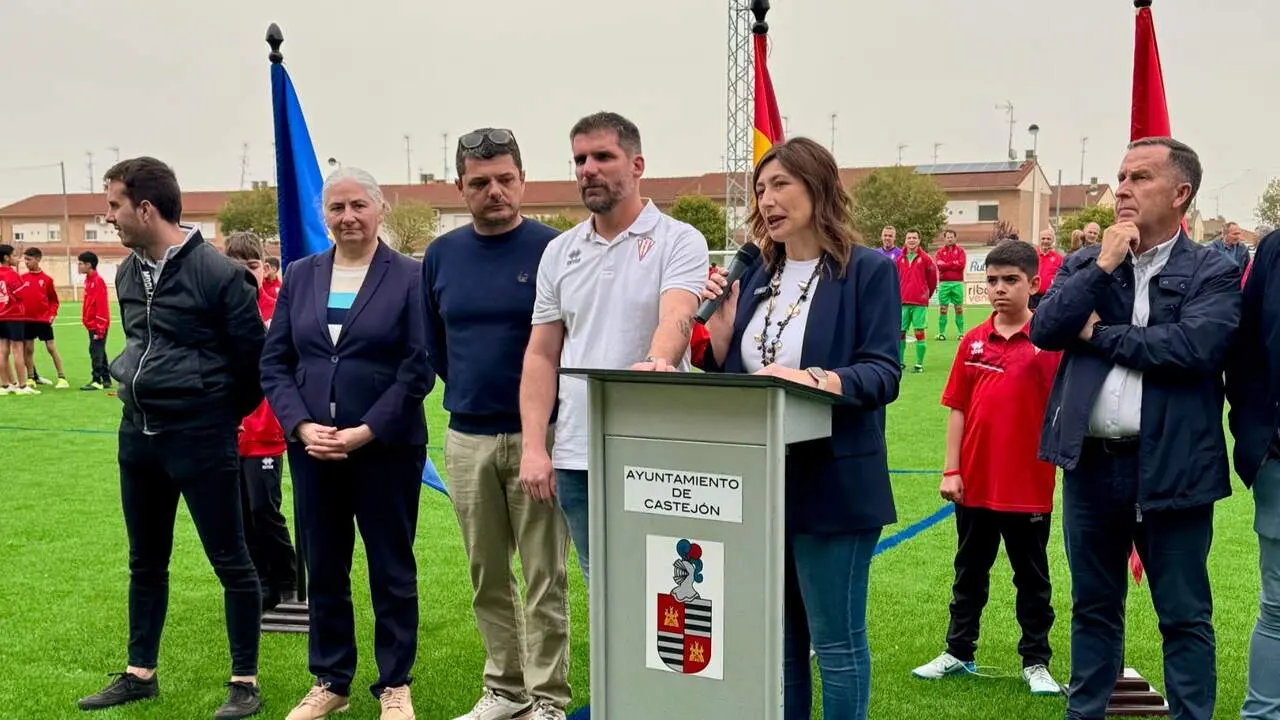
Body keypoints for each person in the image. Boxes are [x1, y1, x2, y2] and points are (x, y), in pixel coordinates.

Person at [1030, 137, 1241, 720]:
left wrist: (1099, 335)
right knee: (1094, 607)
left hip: (1175, 464)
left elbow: (1193, 348)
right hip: (1092, 465)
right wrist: (1102, 265)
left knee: (1184, 613)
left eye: (1140, 178)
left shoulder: (1213, 269)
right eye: (1120, 176)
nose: (1122, 189)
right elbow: (1046, 328)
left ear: (1180, 194)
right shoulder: (1087, 263)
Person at [699, 137, 900, 720]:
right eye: (761, 189)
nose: (767, 200)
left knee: (835, 645)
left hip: (834, 482)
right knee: (780, 645)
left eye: (781, 184)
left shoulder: (865, 271)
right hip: (760, 483)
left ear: (819, 186)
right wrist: (721, 337)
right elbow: (740, 373)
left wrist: (815, 379)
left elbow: (882, 373)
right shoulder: (758, 272)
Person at [76, 157, 266, 719]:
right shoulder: (128, 273)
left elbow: (253, 368)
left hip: (201, 438)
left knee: (231, 560)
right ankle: (140, 674)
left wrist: (211, 414)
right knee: (145, 560)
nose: (108, 216)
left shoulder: (222, 275)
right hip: (138, 438)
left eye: (113, 205)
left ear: (146, 208)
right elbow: (141, 346)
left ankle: (244, 682)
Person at [260, 166, 433, 720]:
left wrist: (365, 431)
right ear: (323, 217)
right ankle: (331, 680)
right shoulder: (302, 274)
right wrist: (302, 426)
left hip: (385, 450)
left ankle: (395, 684)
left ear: (380, 209)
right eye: (336, 208)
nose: (348, 217)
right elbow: (276, 363)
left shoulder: (410, 276)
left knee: (391, 567)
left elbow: (418, 367)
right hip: (315, 452)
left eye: (358, 205)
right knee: (327, 568)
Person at [518, 111, 709, 586]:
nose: (588, 169)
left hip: (658, 445)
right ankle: (614, 666)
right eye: (580, 159)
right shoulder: (559, 252)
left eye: (603, 156)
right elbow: (542, 355)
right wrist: (534, 447)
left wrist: (660, 359)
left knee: (673, 583)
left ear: (637, 164)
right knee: (604, 585)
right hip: (579, 451)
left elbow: (678, 314)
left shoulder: (679, 240)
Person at [423, 128, 571, 720]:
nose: (495, 191)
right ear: (461, 188)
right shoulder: (441, 255)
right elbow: (433, 343)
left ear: (523, 181)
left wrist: (541, 432)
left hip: (541, 438)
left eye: (505, 179)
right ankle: (505, 690)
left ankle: (548, 699)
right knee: (487, 574)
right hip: (468, 437)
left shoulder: (555, 249)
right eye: (480, 182)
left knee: (544, 576)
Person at [911, 240, 1062, 696]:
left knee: (1032, 579)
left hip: (1028, 487)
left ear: (1034, 284)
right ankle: (959, 650)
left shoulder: (1050, 345)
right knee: (969, 571)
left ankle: (1035, 661)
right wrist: (950, 470)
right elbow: (957, 407)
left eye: (1011, 280)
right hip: (973, 485)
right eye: (992, 280)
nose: (999, 289)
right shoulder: (973, 340)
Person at [224, 232, 297, 613]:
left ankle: (285, 575)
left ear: (265, 268)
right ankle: (259, 579)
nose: (245, 274)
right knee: (239, 513)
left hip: (266, 429)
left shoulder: (277, 309)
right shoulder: (220, 310)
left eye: (251, 266)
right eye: (236, 267)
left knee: (263, 509)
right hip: (230, 430)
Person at [1225, 227, 1280, 719]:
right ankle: (1263, 714)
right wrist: (1258, 433)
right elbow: (1243, 349)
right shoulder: (1274, 249)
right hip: (1279, 459)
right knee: (1279, 605)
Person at [17, 247, 69, 388]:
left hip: (43, 320)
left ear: (38, 259)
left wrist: (51, 315)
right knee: (28, 350)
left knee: (51, 348)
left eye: (29, 259)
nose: (26, 263)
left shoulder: (47, 280)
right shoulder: (22, 279)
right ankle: (31, 378)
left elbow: (54, 301)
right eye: (25, 260)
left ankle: (62, 377)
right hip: (26, 321)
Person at [896, 229, 938, 373]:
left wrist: (926, 295)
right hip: (902, 302)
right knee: (900, 333)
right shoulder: (900, 258)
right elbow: (895, 280)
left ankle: (919, 364)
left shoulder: (926, 258)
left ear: (919, 240)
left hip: (919, 302)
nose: (912, 240)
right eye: (909, 238)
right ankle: (900, 362)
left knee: (919, 333)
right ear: (905, 240)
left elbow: (932, 280)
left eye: (914, 238)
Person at [0, 244, 34, 395]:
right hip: (14, 316)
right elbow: (21, 295)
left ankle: (5, 386)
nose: (17, 259)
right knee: (18, 350)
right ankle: (22, 386)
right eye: (14, 256)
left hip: (1, 316)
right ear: (7, 258)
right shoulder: (11, 274)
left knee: (2, 351)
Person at [78, 251, 113, 391]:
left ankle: (96, 380)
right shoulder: (88, 280)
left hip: (98, 325)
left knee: (95, 351)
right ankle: (106, 379)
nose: (78, 266)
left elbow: (101, 305)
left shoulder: (98, 281)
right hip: (91, 323)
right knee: (100, 351)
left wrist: (100, 326)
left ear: (89, 265)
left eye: (80, 263)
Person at [934, 229, 966, 340]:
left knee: (959, 309)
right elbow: (939, 266)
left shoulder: (961, 251)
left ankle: (961, 333)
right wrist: (953, 264)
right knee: (943, 309)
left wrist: (947, 264)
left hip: (957, 283)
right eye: (948, 237)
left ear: (955, 238)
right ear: (945, 238)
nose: (950, 239)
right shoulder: (939, 252)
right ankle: (942, 333)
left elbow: (961, 265)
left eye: (951, 237)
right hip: (944, 284)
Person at [1030, 227, 1063, 310]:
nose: (1045, 241)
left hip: (1049, 297)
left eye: (1048, 239)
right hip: (1032, 296)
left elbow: (1061, 277)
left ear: (1052, 241)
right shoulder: (1032, 256)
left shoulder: (1058, 258)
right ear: (1039, 240)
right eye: (1043, 238)